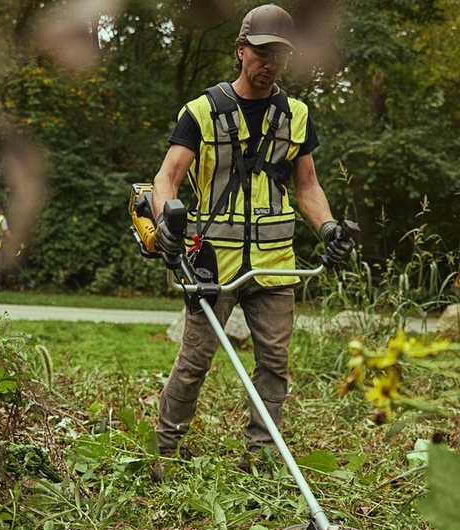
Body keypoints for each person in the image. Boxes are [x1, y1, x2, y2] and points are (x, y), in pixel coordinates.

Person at [149, 4, 354, 472]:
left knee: (275, 364)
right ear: (241, 51)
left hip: (275, 262)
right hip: (211, 263)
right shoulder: (201, 113)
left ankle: (260, 457)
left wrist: (328, 228)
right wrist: (168, 220)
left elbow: (307, 187)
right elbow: (166, 179)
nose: (271, 63)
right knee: (194, 362)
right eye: (261, 53)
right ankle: (163, 452)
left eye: (279, 55)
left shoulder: (296, 116)